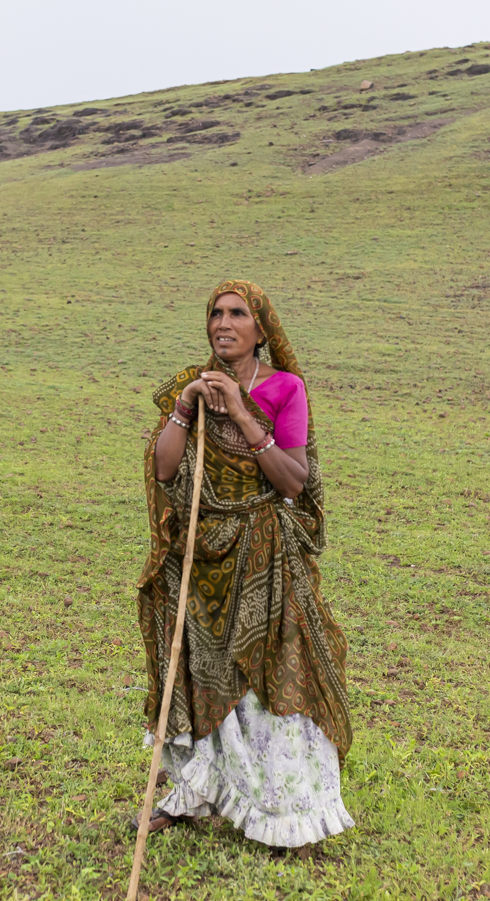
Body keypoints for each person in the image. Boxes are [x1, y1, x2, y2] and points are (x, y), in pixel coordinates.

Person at [136, 279, 353, 848]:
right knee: (204, 672)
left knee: (272, 676)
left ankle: (284, 813)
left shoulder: (286, 387)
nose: (223, 324)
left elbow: (292, 481)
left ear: (262, 330)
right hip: (204, 555)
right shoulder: (193, 384)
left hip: (266, 551)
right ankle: (195, 791)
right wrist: (186, 407)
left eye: (237, 314)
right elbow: (163, 471)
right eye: (215, 313)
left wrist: (238, 408)